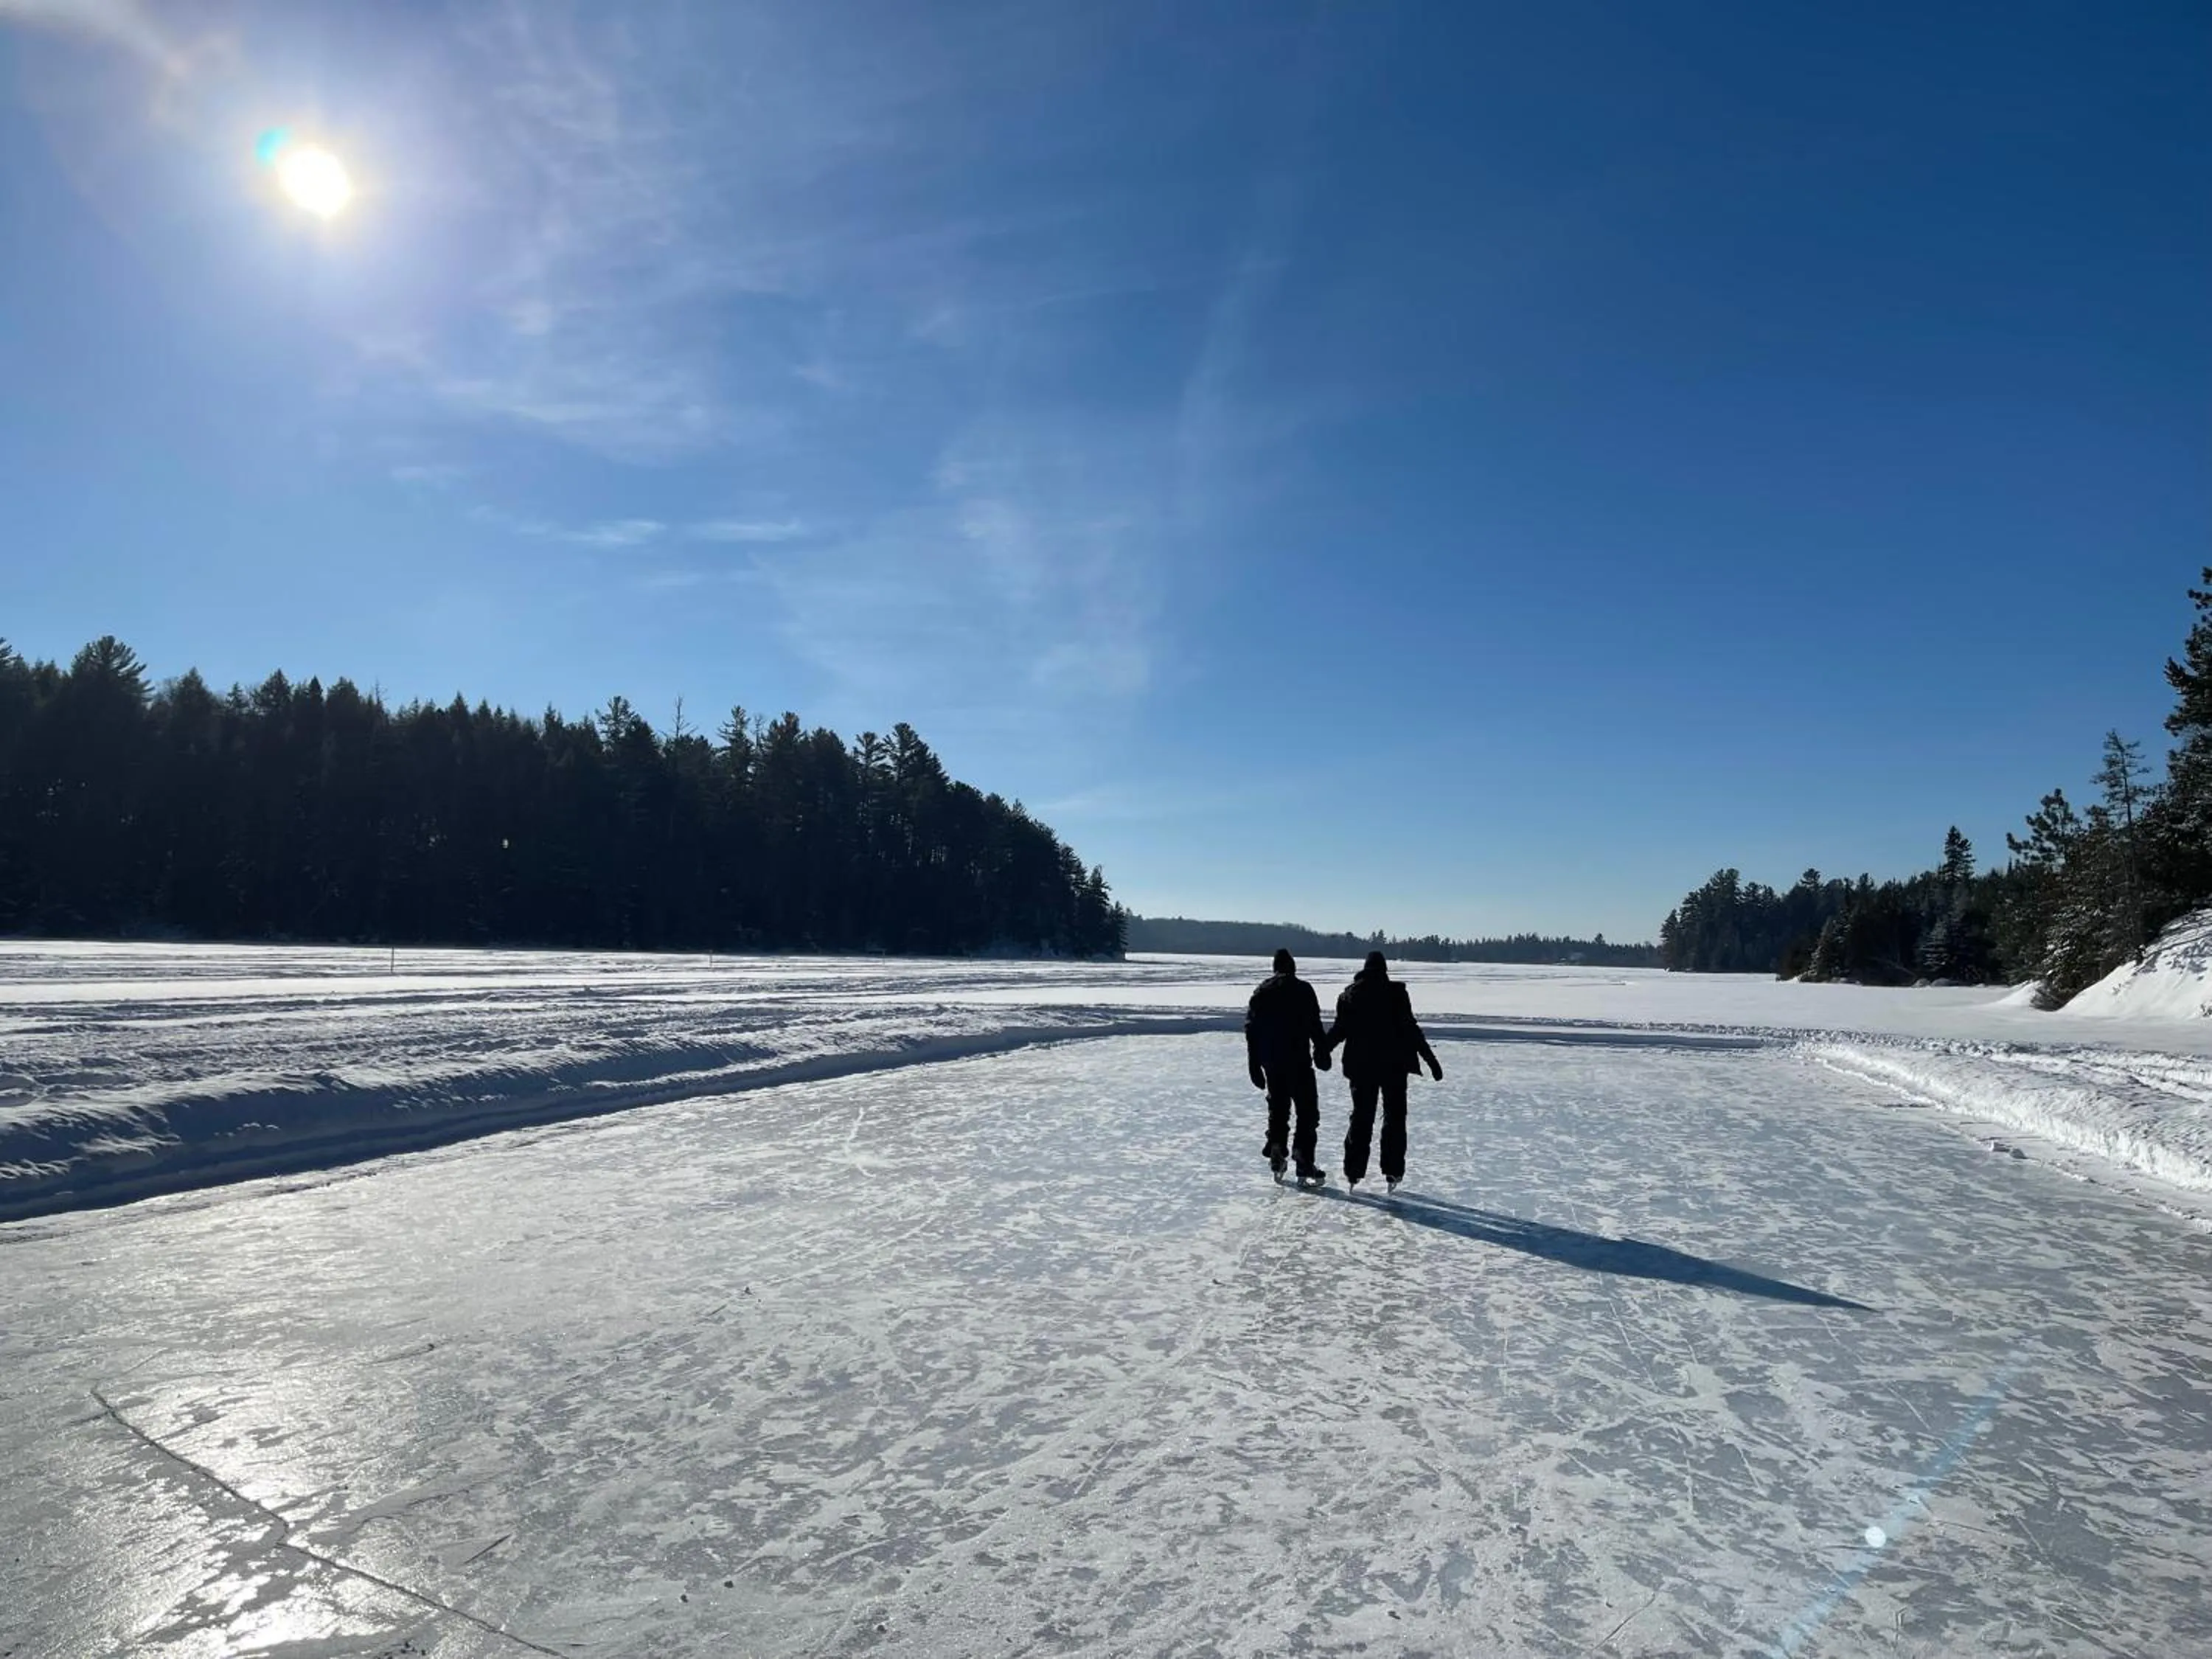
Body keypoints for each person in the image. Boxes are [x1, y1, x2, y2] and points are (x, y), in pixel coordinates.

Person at [1321, 950, 1442, 1193]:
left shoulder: (1350, 995)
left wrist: (1322, 1050)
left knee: (1362, 1117)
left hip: (1361, 1066)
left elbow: (1339, 1030)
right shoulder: (1396, 993)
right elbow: (1410, 1029)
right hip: (1394, 1066)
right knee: (1394, 1117)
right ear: (1384, 970)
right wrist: (1431, 1059)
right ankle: (1393, 1170)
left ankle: (1353, 1172)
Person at [1244, 947, 1332, 1183]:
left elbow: (1251, 1029)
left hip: (1272, 1063)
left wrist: (1254, 1063)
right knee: (1307, 1112)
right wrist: (1322, 1051)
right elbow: (1314, 1024)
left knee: (1278, 1110)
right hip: (1298, 1061)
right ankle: (1303, 1158)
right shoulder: (1303, 989)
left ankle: (1276, 1149)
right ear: (1293, 968)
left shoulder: (1262, 991)